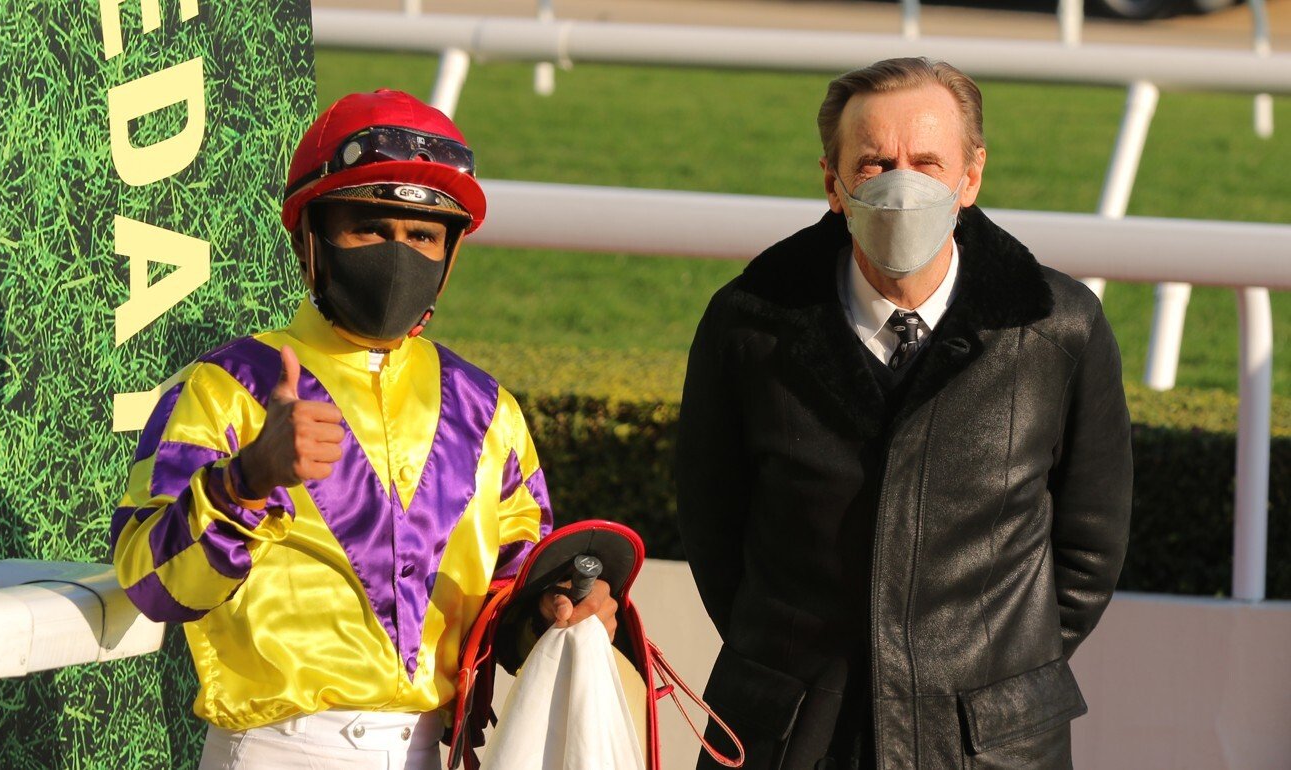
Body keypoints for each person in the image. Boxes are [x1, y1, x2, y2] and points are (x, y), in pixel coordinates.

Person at [110, 89, 616, 770]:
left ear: (450, 253)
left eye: (423, 236)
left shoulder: (489, 409)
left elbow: (510, 601)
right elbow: (152, 583)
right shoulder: (223, 387)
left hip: (426, 750)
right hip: (275, 751)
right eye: (371, 228)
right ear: (309, 238)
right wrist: (245, 481)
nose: (398, 255)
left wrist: (564, 610)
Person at [676, 58, 1131, 769]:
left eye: (926, 162)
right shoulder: (748, 327)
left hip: (990, 747)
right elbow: (714, 526)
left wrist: (989, 674)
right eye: (874, 163)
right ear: (832, 183)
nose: (901, 182)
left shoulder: (1058, 329)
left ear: (970, 177)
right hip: (794, 737)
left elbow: (1090, 547)